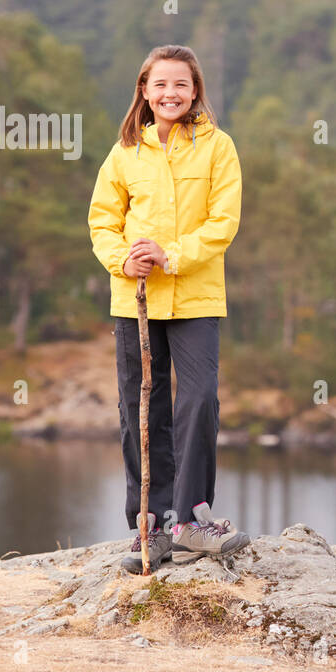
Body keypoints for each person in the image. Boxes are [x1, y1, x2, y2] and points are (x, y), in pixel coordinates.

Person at [87, 44, 249, 573]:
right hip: (133, 302)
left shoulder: (218, 147)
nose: (170, 94)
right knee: (140, 410)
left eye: (180, 84)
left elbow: (223, 223)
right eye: (159, 85)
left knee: (199, 400)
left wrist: (171, 256)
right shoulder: (124, 153)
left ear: (196, 90)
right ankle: (149, 526)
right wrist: (123, 261)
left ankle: (191, 520)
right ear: (144, 91)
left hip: (197, 296)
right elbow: (102, 222)